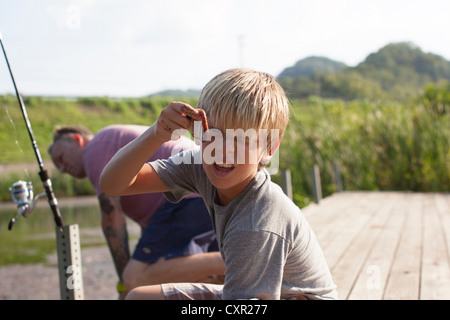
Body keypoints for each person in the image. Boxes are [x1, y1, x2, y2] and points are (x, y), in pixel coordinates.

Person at [99, 69, 337, 300]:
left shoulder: (256, 222)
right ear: (197, 131)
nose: (223, 151)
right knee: (139, 297)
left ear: (269, 148)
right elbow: (113, 184)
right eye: (213, 133)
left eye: (241, 139)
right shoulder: (200, 166)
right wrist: (156, 134)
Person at [48, 124, 225, 299]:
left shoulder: (93, 150)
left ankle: (235, 259)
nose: (63, 170)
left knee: (136, 281)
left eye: (61, 158)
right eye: (59, 167)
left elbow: (112, 220)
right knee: (211, 280)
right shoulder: (112, 140)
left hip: (186, 194)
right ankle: (232, 262)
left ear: (77, 140)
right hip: (209, 188)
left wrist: (124, 285)